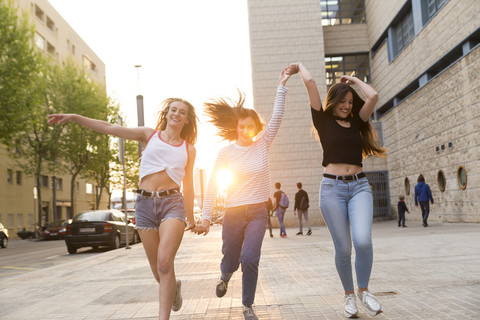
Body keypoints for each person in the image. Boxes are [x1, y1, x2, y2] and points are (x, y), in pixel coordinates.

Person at [48, 97, 203, 320]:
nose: (176, 114)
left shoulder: (189, 149)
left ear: (187, 119)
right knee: (159, 272)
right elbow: (110, 128)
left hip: (172, 204)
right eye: (173, 110)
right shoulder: (149, 135)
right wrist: (74, 117)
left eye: (182, 112)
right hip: (144, 205)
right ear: (167, 113)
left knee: (164, 262)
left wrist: (191, 219)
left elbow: (188, 188)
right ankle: (173, 288)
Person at [288, 62, 386, 318]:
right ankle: (349, 296)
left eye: (351, 102)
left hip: (360, 187)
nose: (347, 106)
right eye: (343, 101)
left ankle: (364, 291)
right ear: (333, 102)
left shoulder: (358, 121)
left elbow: (373, 96)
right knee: (343, 249)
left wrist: (353, 83)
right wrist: (299, 66)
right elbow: (310, 84)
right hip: (331, 189)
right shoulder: (322, 120)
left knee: (363, 241)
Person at [200, 68, 292, 320]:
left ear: (256, 128)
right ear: (236, 128)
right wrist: (206, 216)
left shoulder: (263, 143)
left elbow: (278, 116)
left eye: (251, 128)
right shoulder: (225, 153)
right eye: (242, 127)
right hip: (233, 212)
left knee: (250, 258)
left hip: (258, 212)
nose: (246, 131)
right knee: (230, 257)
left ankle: (247, 305)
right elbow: (211, 186)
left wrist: (282, 84)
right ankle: (225, 275)